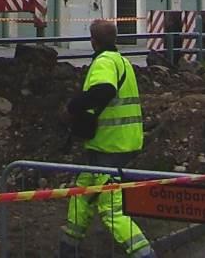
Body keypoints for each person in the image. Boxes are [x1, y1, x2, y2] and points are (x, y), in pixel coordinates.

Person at [59, 18, 155, 258]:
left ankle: (145, 254)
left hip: (110, 146)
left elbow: (104, 90)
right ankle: (68, 248)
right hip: (118, 143)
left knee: (111, 208)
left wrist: (73, 106)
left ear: (93, 41)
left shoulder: (103, 62)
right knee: (82, 194)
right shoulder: (123, 62)